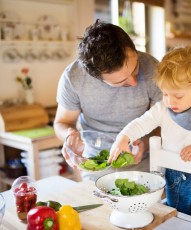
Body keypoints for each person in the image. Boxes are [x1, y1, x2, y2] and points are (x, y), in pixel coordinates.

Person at [108, 45, 191, 226]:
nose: (170, 101)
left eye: (178, 96)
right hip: (175, 181)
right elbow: (142, 123)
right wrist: (123, 137)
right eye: (165, 94)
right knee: (178, 220)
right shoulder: (162, 109)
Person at [53, 20, 162, 181]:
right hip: (96, 164)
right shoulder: (73, 77)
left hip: (145, 164)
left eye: (135, 68)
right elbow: (62, 122)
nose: (134, 82)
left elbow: (166, 121)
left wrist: (145, 143)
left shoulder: (153, 68)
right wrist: (69, 137)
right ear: (95, 77)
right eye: (121, 82)